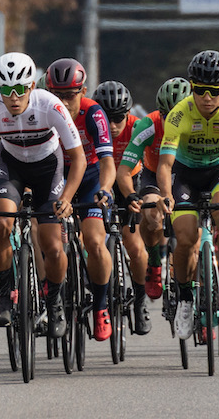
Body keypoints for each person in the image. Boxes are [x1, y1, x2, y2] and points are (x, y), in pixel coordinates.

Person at [0, 52, 85, 341]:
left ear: (32, 86)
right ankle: (5, 293)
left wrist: (67, 197)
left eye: (20, 89)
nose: (13, 97)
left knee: (53, 246)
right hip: (11, 167)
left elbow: (77, 159)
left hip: (48, 168)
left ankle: (54, 302)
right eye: (6, 90)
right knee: (1, 225)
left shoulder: (51, 105)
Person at [158, 50, 219, 340]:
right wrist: (165, 195)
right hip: (185, 175)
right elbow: (165, 164)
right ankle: (185, 299)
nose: (207, 97)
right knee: (185, 237)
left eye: (214, 91)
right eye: (200, 90)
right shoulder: (179, 115)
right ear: (192, 86)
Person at [47, 58, 115, 342]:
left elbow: (108, 162)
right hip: (55, 175)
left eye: (70, 95)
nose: (64, 101)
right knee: (48, 241)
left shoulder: (93, 113)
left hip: (89, 177)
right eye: (57, 95)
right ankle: (49, 294)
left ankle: (100, 304)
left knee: (95, 242)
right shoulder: (43, 111)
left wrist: (107, 189)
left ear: (83, 91)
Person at [119, 77, 190, 302]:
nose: (173, 120)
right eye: (167, 115)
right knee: (151, 214)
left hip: (187, 174)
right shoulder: (147, 125)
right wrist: (131, 195)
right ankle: (153, 261)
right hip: (154, 174)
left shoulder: (199, 123)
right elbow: (124, 168)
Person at [93, 79, 150, 335]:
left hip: (129, 184)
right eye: (107, 118)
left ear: (129, 114)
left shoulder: (138, 128)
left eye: (119, 119)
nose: (113, 126)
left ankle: (139, 300)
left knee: (135, 247)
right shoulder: (91, 126)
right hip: (99, 182)